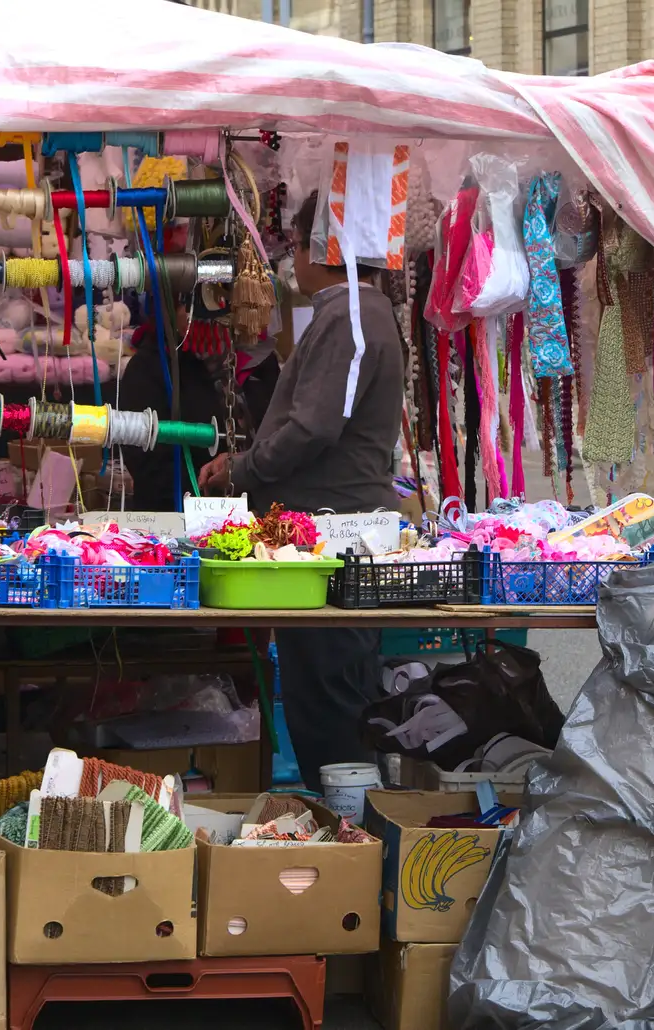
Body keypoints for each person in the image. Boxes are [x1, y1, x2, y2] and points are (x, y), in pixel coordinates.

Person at [199, 191, 405, 793]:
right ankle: (349, 831)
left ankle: (354, 839)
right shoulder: (353, 313)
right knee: (329, 693)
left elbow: (314, 427)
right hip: (326, 529)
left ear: (325, 246)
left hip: (335, 531)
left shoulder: (352, 315)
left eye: (296, 242)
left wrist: (242, 469)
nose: (291, 257)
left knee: (332, 699)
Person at [116, 296, 280, 512]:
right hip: (184, 517)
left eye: (223, 300)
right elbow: (147, 463)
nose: (210, 314)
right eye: (190, 303)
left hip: (264, 512)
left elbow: (279, 433)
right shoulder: (150, 368)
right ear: (169, 311)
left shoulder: (260, 361)